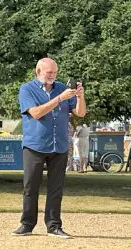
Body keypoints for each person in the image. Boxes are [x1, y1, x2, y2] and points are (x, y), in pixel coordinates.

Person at [14, 58, 86, 239]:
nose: (53, 76)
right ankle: (27, 224)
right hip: (35, 145)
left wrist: (79, 96)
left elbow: (80, 113)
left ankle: (54, 225)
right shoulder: (27, 89)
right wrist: (60, 99)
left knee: (56, 188)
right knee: (31, 186)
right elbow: (36, 113)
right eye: (49, 72)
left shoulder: (62, 87)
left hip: (59, 145)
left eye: (55, 72)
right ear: (38, 71)